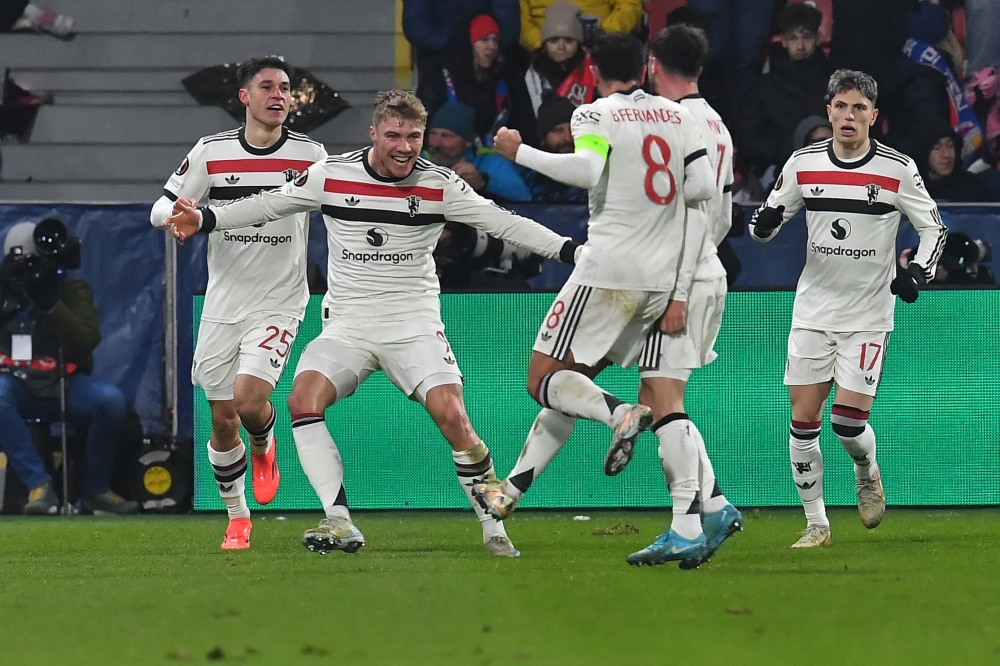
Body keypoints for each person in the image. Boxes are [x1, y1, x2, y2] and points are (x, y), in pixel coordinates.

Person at [165, 90, 582, 558]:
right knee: (303, 400)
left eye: (414, 137)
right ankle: (338, 520)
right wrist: (206, 217)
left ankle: (492, 526)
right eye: (394, 136)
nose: (404, 146)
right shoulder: (331, 176)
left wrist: (572, 252)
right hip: (348, 325)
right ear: (374, 135)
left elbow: (506, 223)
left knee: (453, 420)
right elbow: (267, 204)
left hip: (413, 324)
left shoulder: (439, 185)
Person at [473, 33, 717, 567]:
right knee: (570, 383)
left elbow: (587, 171)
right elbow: (701, 188)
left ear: (593, 69)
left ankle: (619, 414)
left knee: (543, 378)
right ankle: (509, 491)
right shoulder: (681, 118)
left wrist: (519, 152)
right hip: (662, 279)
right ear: (645, 68)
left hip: (608, 270)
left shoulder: (595, 112)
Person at [749, 69, 947, 548]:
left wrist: (918, 270)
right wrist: (766, 222)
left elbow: (934, 229)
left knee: (847, 423)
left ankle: (866, 470)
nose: (849, 116)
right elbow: (762, 228)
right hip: (812, 310)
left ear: (873, 116)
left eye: (859, 108)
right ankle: (817, 524)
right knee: (802, 422)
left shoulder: (897, 169)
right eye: (841, 106)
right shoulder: (803, 164)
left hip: (868, 315)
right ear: (829, 110)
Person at [150, 57, 328, 550]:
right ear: (244, 97)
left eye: (286, 88)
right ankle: (237, 516)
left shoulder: (311, 154)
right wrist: (176, 216)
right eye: (267, 86)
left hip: (280, 298)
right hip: (223, 301)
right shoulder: (212, 151)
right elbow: (160, 206)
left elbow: (341, 209)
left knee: (250, 400)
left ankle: (265, 440)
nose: (279, 95)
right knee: (222, 416)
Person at [613, 24, 742, 568]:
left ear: (652, 64)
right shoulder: (718, 124)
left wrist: (676, 284)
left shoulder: (669, 122)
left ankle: (687, 525)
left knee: (664, 403)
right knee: (655, 394)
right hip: (706, 271)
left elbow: (678, 210)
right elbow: (724, 213)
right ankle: (712, 506)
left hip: (679, 283)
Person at [0, 220, 136, 515]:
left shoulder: (70, 288)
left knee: (110, 401)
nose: (30, 268)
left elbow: (85, 340)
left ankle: (96, 489)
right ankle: (39, 485)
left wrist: (51, 303)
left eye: (35, 261)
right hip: (16, 383)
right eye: (21, 262)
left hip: (62, 382)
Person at [416, 13, 537, 148]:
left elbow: (526, 127)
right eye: (484, 40)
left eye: (495, 40)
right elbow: (419, 125)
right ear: (469, 44)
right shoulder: (438, 78)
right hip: (443, 155)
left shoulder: (509, 79)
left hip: (494, 158)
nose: (492, 46)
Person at [739, 3, 832, 178]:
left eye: (807, 37)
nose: (800, 45)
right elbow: (749, 137)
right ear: (782, 40)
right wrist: (790, 150)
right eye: (793, 38)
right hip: (781, 171)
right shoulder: (766, 86)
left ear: (818, 38)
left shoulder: (837, 82)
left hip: (833, 171)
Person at [422, 101, 532, 202]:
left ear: (468, 142)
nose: (435, 144)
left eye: (446, 136)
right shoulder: (419, 160)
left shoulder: (490, 161)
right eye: (433, 134)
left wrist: (483, 182)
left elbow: (524, 197)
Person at [523, 1, 596, 114]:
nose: (561, 47)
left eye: (569, 40)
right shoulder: (533, 73)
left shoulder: (592, 70)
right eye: (554, 40)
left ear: (579, 43)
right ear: (545, 44)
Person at [518, 94, 588, 203]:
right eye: (558, 131)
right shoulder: (527, 177)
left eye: (573, 129)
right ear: (543, 137)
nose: (568, 138)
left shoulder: (593, 169)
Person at [914, 125, 998, 203]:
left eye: (950, 145)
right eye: (936, 148)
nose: (946, 154)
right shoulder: (908, 189)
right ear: (923, 152)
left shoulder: (975, 188)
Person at [519, 0, 645, 52]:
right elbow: (521, 19)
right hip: (542, 52)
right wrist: (541, 45)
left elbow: (629, 5)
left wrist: (607, 33)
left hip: (600, 48)